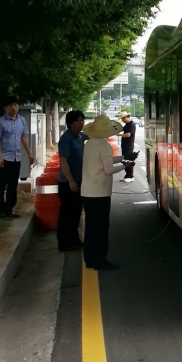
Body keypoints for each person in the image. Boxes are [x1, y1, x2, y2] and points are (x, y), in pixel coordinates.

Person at [81, 114, 133, 270]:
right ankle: (100, 260)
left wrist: (124, 157)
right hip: (100, 193)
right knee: (101, 228)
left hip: (87, 192)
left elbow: (106, 160)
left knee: (90, 228)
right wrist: (126, 166)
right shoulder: (104, 146)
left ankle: (90, 259)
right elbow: (108, 169)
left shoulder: (89, 144)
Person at [0, 96, 35, 218]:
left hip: (16, 157)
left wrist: (29, 153)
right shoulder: (1, 122)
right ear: (5, 108)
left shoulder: (21, 120)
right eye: (11, 105)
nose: (14, 107)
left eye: (15, 104)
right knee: (1, 184)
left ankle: (9, 209)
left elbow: (24, 137)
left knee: (13, 184)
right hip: (4, 158)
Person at [57, 109, 86, 252]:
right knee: (67, 214)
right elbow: (63, 162)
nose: (82, 123)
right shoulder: (66, 139)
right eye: (78, 121)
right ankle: (64, 243)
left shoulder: (80, 136)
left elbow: (93, 134)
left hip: (79, 180)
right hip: (67, 182)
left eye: (82, 120)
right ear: (70, 123)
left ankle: (74, 239)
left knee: (76, 213)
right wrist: (71, 181)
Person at [119, 111, 137, 182]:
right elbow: (121, 129)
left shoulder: (131, 125)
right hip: (125, 145)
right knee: (125, 161)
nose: (122, 120)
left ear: (126, 117)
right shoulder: (127, 124)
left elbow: (128, 135)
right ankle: (127, 175)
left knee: (128, 161)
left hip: (128, 146)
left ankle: (130, 176)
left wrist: (119, 135)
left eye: (123, 119)